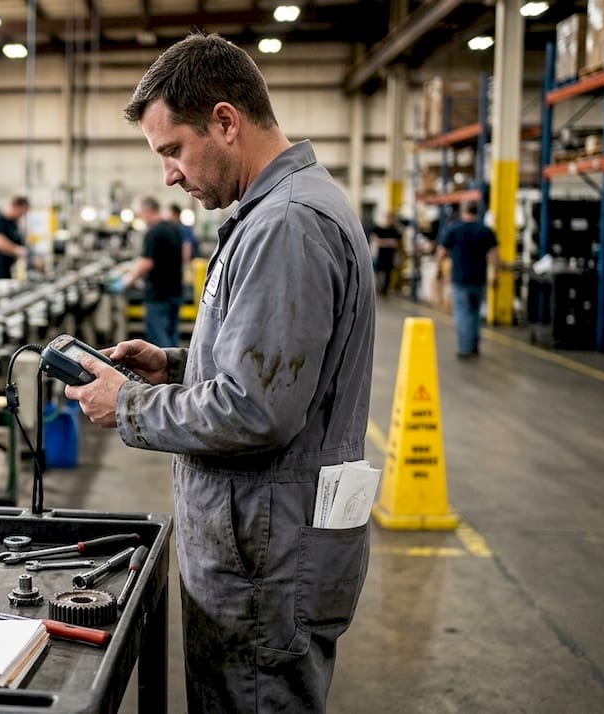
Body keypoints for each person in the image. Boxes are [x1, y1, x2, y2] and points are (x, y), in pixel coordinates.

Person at [63, 33, 375, 713]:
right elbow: (279, 367)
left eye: (172, 150)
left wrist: (132, 406)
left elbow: (256, 411)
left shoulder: (287, 225)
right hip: (261, 553)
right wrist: (173, 365)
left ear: (226, 122)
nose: (169, 174)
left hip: (266, 562)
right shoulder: (277, 212)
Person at [436, 201, 499, 358]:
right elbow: (494, 256)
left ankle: (465, 347)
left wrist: (438, 270)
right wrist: (496, 275)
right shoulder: (485, 231)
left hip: (460, 279)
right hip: (478, 279)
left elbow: (441, 252)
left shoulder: (453, 229)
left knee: (461, 313)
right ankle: (474, 344)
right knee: (475, 312)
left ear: (463, 211)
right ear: (477, 212)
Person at [123, 195, 185, 347]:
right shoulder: (174, 228)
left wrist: (127, 280)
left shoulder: (154, 232)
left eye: (139, 213)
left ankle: (164, 369)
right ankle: (176, 369)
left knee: (159, 339)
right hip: (175, 290)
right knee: (171, 335)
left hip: (158, 294)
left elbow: (146, 262)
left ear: (146, 210)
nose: (140, 218)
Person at [0, 195, 30, 282]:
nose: (22, 215)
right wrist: (18, 250)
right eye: (22, 211)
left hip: (6, 271)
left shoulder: (13, 223)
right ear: (15, 206)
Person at [370, 211, 402, 295]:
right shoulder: (378, 229)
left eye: (391, 218)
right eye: (388, 218)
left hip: (390, 255)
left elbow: (396, 243)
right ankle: (377, 288)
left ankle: (385, 290)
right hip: (379, 255)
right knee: (378, 272)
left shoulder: (394, 230)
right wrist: (388, 242)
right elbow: (375, 240)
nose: (389, 220)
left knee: (388, 273)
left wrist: (382, 242)